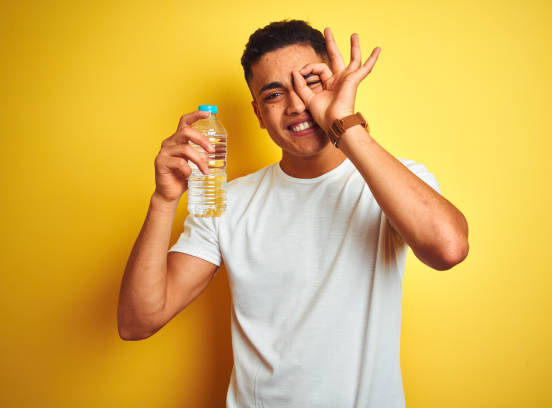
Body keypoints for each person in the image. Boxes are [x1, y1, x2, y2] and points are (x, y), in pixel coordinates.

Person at [117, 20, 469, 408]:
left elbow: (448, 248)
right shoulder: (228, 204)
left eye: (311, 82)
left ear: (336, 83)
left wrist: (344, 123)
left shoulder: (396, 182)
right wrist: (164, 200)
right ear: (258, 114)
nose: (298, 104)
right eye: (274, 94)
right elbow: (138, 321)